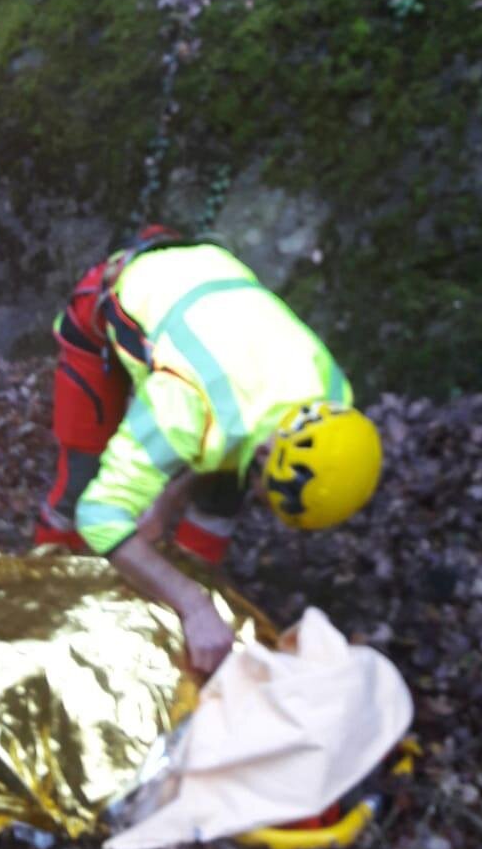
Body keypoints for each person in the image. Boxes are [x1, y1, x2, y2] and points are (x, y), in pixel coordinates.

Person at [34, 228, 383, 675]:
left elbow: (232, 443)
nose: (259, 497)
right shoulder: (182, 406)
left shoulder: (333, 395)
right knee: (79, 480)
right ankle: (44, 598)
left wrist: (167, 499)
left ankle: (192, 585)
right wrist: (193, 606)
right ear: (264, 458)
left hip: (206, 292)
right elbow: (99, 515)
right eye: (264, 490)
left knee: (222, 488)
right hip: (112, 303)